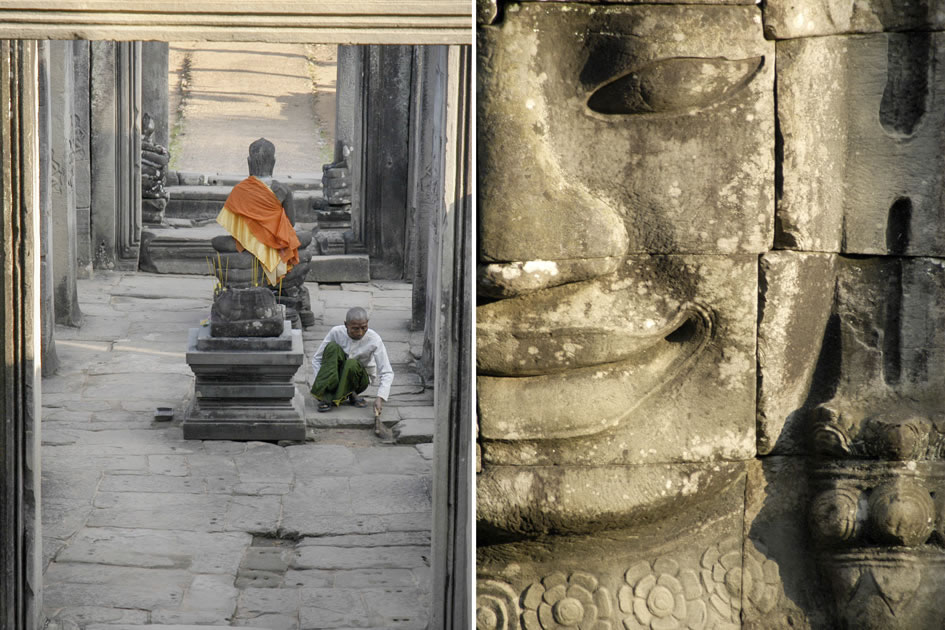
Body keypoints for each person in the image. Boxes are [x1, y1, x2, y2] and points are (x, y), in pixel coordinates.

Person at [216, 137, 300, 285]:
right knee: (303, 239)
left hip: (247, 245)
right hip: (276, 244)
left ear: (249, 162)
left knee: (217, 243)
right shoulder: (283, 190)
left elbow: (234, 226)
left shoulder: (239, 190)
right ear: (273, 163)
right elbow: (290, 224)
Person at [310, 307, 394, 415]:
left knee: (351, 363)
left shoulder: (374, 339)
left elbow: (386, 371)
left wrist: (380, 397)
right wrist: (322, 382)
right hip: (336, 376)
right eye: (355, 328)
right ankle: (327, 393)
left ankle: (350, 393)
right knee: (332, 348)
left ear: (368, 323)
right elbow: (317, 359)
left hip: (359, 379)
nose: (360, 332)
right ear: (346, 325)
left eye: (364, 327)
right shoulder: (336, 332)